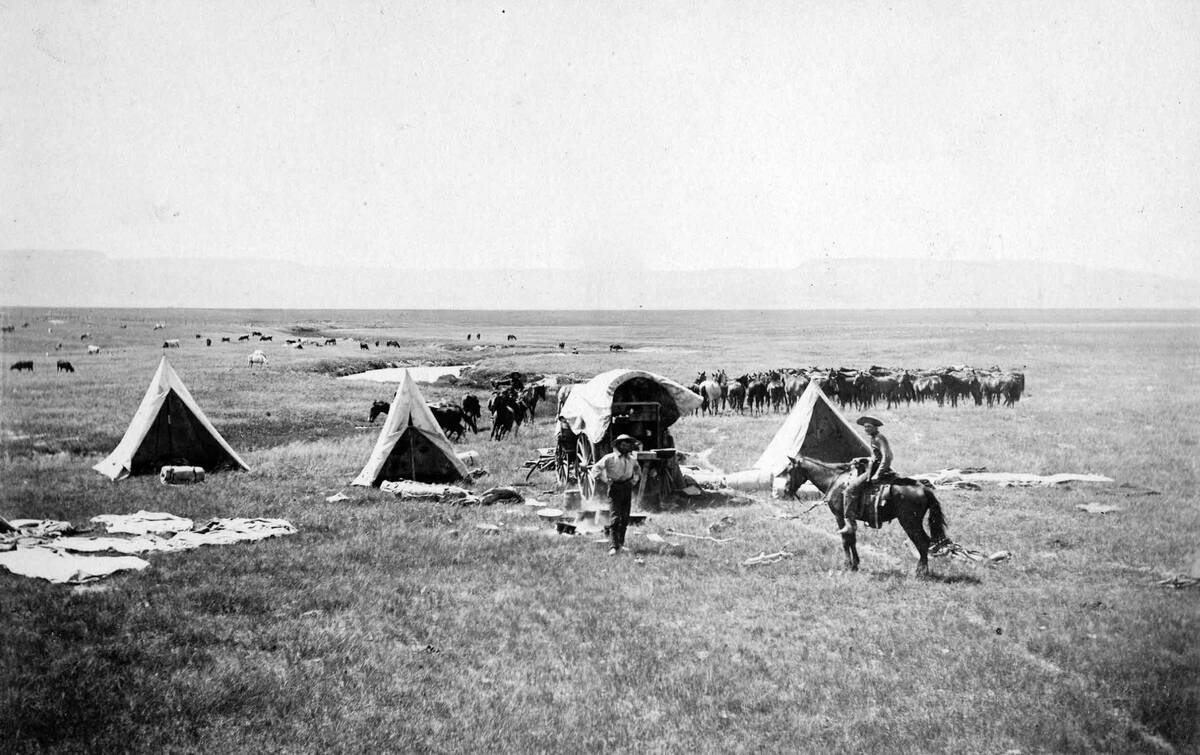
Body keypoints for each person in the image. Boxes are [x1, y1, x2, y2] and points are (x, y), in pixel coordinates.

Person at [839, 416, 893, 535]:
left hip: (875, 471)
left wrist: (878, 474)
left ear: (875, 427)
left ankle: (850, 524)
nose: (866, 429)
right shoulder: (874, 438)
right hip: (873, 468)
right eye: (865, 427)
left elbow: (887, 457)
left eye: (869, 426)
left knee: (849, 490)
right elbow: (876, 456)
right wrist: (862, 459)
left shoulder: (879, 438)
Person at [592, 434, 642, 556]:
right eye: (623, 444)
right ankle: (613, 546)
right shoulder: (609, 458)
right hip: (615, 488)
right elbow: (595, 469)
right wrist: (605, 479)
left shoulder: (632, 459)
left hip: (627, 488)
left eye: (628, 444)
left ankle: (621, 544)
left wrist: (634, 481)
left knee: (625, 518)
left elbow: (638, 471)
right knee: (615, 519)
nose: (625, 446)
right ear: (618, 446)